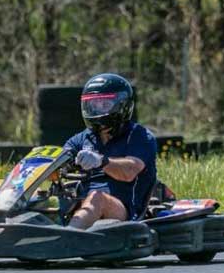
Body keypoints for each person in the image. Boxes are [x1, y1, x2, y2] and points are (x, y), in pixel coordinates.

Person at [63, 73, 157, 229]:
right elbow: (63, 156)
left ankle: (67, 237)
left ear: (122, 105)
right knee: (41, 197)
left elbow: (130, 170)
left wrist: (101, 161)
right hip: (82, 204)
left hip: (124, 209)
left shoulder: (139, 136)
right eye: (93, 105)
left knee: (97, 198)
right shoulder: (82, 139)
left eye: (104, 104)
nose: (97, 110)